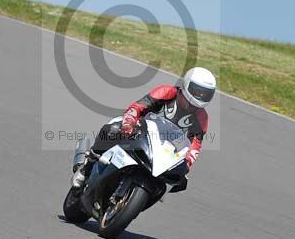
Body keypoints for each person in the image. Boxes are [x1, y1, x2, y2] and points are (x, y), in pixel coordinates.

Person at [72, 67, 216, 188]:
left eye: (205, 94)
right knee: (112, 130)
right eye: (198, 91)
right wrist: (128, 124)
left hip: (165, 150)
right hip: (139, 131)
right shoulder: (167, 92)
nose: (200, 97)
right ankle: (87, 168)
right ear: (186, 85)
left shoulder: (202, 117)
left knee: (174, 179)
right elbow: (137, 107)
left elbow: (195, 146)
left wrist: (187, 163)